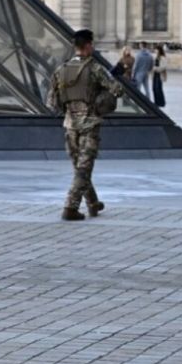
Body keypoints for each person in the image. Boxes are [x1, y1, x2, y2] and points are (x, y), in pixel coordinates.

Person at [47, 29, 124, 221]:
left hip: (69, 124)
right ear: (88, 46)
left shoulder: (61, 70)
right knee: (84, 168)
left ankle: (92, 203)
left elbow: (51, 102)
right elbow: (117, 90)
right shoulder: (95, 68)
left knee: (80, 166)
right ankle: (70, 207)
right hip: (90, 124)